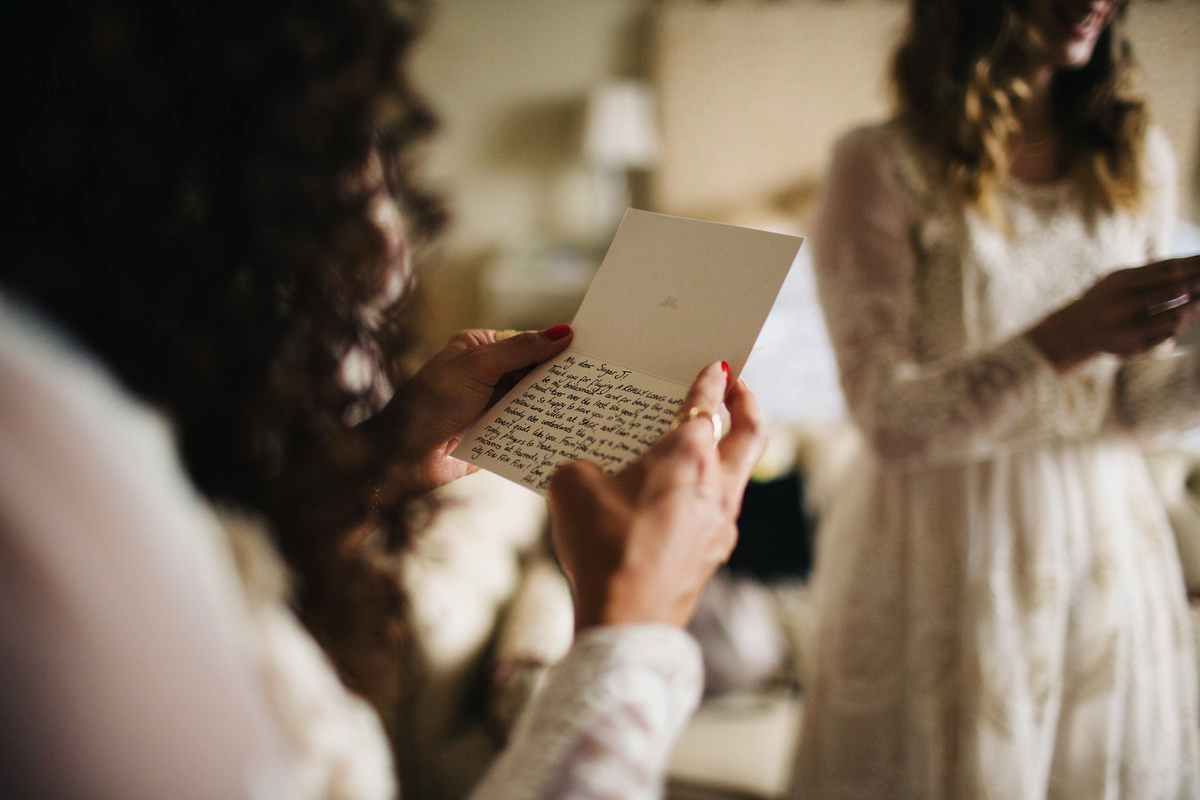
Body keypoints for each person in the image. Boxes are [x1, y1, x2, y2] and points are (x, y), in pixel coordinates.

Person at [0, 2, 767, 799]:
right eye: (321, 205)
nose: (392, 263)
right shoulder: (32, 454)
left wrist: (384, 455)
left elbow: (218, 564)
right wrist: (634, 624)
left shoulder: (85, 420)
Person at [794, 0, 1200, 796]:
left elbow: (1135, 410)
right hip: (941, 541)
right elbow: (887, 426)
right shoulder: (880, 162)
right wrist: (1067, 335)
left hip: (1103, 541)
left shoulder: (1139, 160)